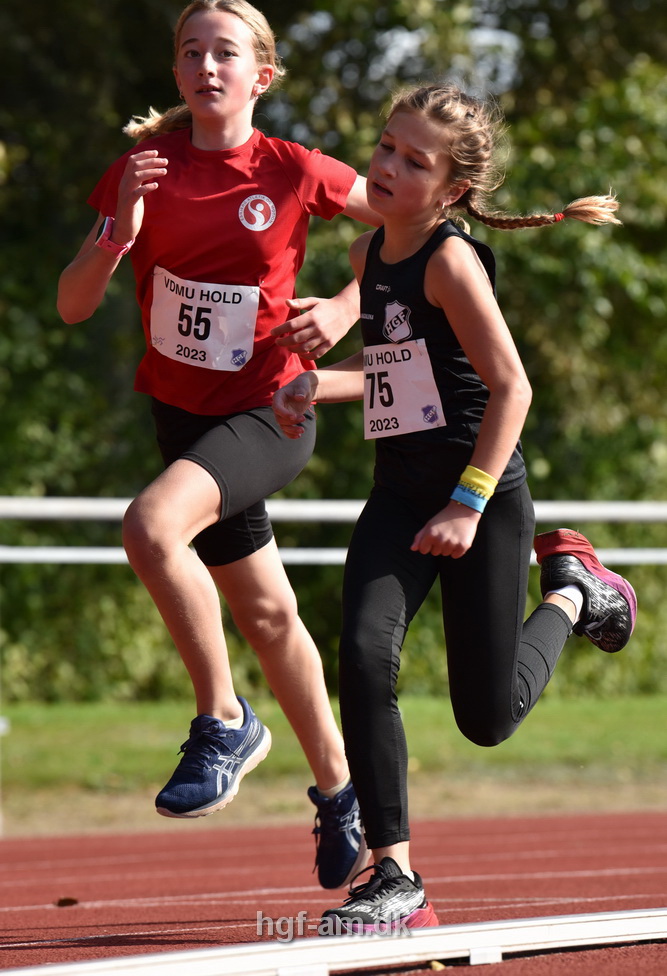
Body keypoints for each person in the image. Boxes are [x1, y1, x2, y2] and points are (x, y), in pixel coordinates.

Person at [272, 82, 637, 931]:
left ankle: (577, 591)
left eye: (415, 160)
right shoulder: (370, 258)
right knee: (362, 657)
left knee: (488, 718)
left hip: (480, 494)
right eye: (386, 147)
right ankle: (392, 876)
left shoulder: (448, 260)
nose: (389, 166)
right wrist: (312, 387)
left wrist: (469, 504)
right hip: (399, 497)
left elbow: (512, 387)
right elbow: (401, 377)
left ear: (451, 190)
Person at [57, 0, 382, 890]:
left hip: (270, 413)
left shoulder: (293, 168)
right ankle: (340, 793)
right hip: (184, 420)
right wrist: (117, 234)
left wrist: (350, 307)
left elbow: (397, 225)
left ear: (261, 76)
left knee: (151, 529)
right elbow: (73, 302)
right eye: (190, 51)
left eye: (225, 53)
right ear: (175, 72)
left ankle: (223, 720)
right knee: (271, 615)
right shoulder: (143, 169)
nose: (206, 66)